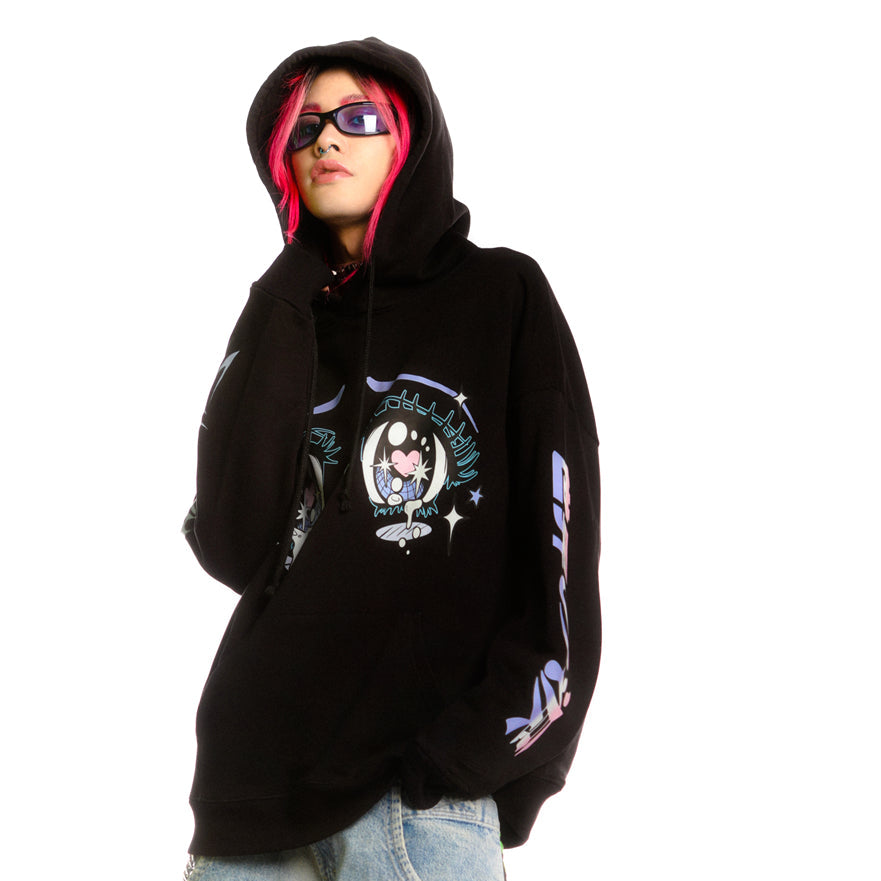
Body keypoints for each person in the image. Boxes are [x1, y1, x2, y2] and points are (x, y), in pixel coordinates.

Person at [182, 37, 601, 881]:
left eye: (357, 119)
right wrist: (285, 288)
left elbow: (559, 562)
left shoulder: (502, 294)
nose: (327, 140)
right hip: (245, 806)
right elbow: (231, 544)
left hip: (417, 809)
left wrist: (463, 760)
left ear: (409, 138)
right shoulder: (284, 314)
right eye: (305, 128)